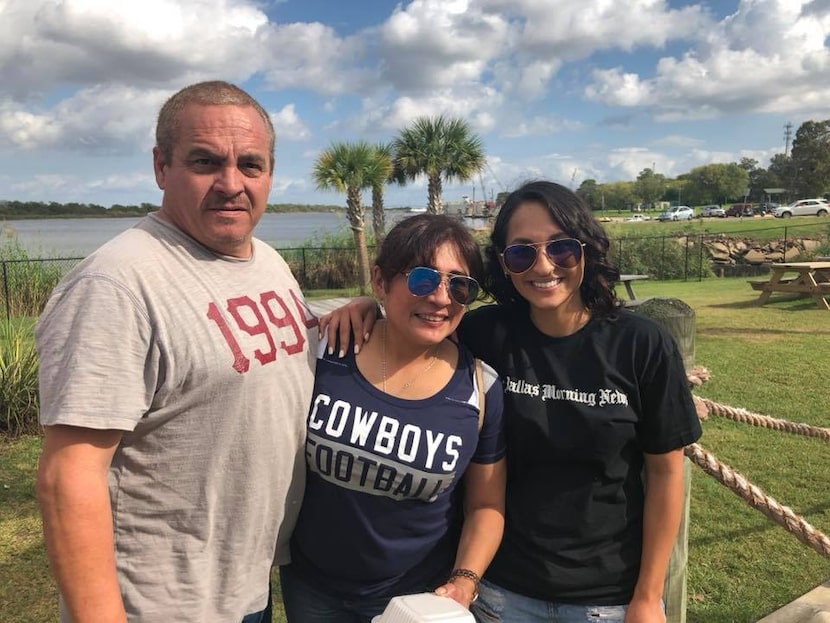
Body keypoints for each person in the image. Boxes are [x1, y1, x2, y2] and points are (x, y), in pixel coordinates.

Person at [320, 181, 703, 623]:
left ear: (587, 248)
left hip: (608, 597)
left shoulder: (640, 344)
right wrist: (370, 305)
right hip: (501, 593)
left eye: (561, 248)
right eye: (522, 252)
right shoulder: (486, 334)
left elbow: (665, 473)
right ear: (503, 262)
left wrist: (647, 596)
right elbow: (421, 318)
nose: (543, 266)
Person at [35, 80, 318, 623]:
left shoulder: (267, 261)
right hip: (161, 603)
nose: (231, 184)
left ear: (270, 175)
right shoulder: (116, 284)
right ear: (161, 167)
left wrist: (363, 312)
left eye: (251, 165)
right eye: (205, 161)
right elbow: (68, 476)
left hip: (245, 586)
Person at [280, 214, 507, 623]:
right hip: (311, 587)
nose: (441, 297)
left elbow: (486, 504)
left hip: (414, 599)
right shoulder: (326, 352)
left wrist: (465, 580)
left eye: (459, 284)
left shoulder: (479, 387)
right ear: (381, 281)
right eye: (423, 279)